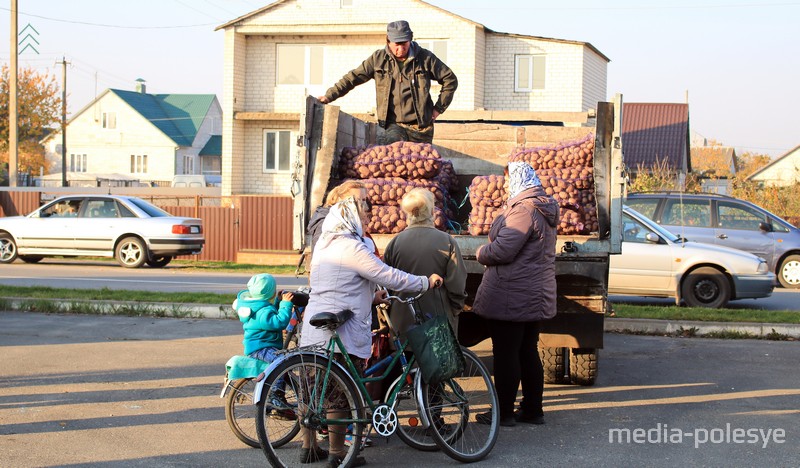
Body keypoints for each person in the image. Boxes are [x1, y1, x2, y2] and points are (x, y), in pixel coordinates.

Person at [299, 195, 443, 467]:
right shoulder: (352, 247)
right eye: (364, 218)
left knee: (312, 387)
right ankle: (338, 453)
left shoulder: (324, 244)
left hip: (314, 327)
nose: (367, 222)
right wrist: (425, 282)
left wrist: (372, 297)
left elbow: (342, 283)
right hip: (340, 329)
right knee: (339, 395)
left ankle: (308, 448)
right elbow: (387, 275)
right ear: (350, 219)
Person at [472, 161, 559, 427]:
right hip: (533, 292)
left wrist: (480, 253)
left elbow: (502, 251)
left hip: (514, 294)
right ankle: (533, 409)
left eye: (509, 181)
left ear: (520, 181)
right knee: (527, 351)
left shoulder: (523, 211)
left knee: (507, 353)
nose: (507, 185)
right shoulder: (542, 207)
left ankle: (504, 412)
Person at [318, 20, 457, 145]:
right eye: (397, 44)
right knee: (392, 164)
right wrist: (329, 95)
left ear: (410, 39)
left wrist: (438, 108)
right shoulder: (378, 59)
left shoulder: (425, 58)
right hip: (393, 125)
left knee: (420, 167)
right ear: (388, 41)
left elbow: (450, 79)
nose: (401, 49)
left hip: (421, 126)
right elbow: (352, 78)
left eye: (405, 44)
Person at [383, 188, 467, 336]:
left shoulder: (395, 242)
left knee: (403, 358)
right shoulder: (447, 241)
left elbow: (385, 282)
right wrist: (455, 308)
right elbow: (457, 284)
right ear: (430, 211)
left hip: (401, 320)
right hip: (437, 318)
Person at [233, 273, 294, 363]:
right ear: (269, 292)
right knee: (281, 364)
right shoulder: (262, 313)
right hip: (262, 349)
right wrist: (285, 305)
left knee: (281, 364)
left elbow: (271, 316)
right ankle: (279, 378)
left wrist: (278, 301)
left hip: (259, 347)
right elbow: (279, 322)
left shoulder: (257, 307)